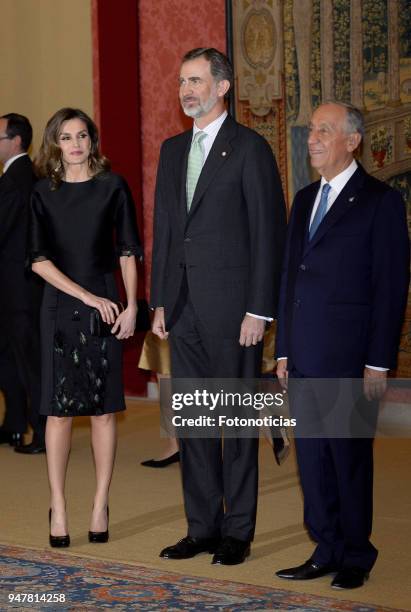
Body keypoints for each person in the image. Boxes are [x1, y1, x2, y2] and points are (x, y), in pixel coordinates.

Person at [151, 48, 286, 565]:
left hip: (234, 312)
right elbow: (165, 231)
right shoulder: (170, 150)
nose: (186, 89)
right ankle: (201, 527)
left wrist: (260, 309)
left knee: (236, 423)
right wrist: (160, 300)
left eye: (196, 80)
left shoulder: (249, 149)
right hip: (181, 310)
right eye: (182, 80)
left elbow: (267, 235)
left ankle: (237, 532)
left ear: (223, 87)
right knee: (195, 423)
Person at [275, 102, 409, 589]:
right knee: (312, 462)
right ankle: (325, 546)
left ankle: (356, 552)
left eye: (324, 131)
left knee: (348, 460)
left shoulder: (380, 201)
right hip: (304, 356)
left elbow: (390, 288)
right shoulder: (305, 198)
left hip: (351, 357)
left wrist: (378, 361)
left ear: (352, 141)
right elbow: (291, 277)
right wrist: (284, 349)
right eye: (312, 130)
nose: (312, 139)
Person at [29, 108, 141, 547]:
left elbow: (129, 250)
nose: (75, 144)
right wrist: (86, 296)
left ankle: (99, 502)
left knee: (102, 410)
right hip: (60, 305)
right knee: (57, 412)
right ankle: (58, 504)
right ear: (55, 143)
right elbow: (38, 261)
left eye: (82, 136)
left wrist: (131, 305)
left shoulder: (113, 186)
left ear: (92, 141)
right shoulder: (43, 193)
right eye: (66, 137)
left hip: (108, 306)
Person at [0, 113, 45, 453]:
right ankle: (14, 423)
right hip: (13, 287)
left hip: (19, 289)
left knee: (29, 361)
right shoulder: (19, 175)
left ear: (16, 141)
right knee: (9, 357)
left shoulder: (16, 178)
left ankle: (42, 433)